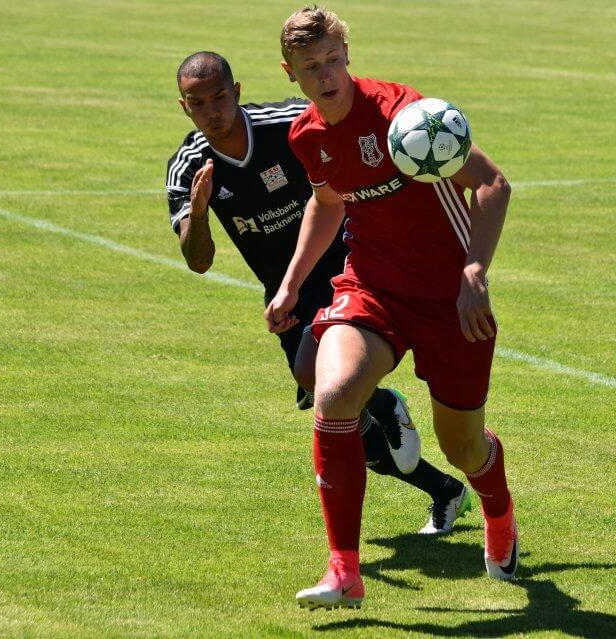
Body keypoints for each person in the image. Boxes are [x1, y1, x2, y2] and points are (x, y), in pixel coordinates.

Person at [265, 6, 518, 610]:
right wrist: (293, 283)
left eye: (333, 60)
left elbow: (492, 184)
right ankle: (344, 572)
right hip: (371, 288)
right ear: (291, 72)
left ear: (347, 55)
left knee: (462, 447)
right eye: (311, 67)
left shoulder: (408, 116)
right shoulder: (307, 136)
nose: (326, 75)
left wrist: (474, 270)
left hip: (448, 300)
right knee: (332, 396)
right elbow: (328, 203)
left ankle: (498, 510)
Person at [166, 50, 472, 538]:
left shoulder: (288, 123)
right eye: (198, 103)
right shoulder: (188, 167)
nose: (212, 111)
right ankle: (443, 489)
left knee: (322, 385)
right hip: (289, 293)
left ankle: (385, 409)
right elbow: (198, 260)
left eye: (219, 98)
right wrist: (199, 214)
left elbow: (349, 137)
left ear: (237, 92)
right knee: (342, 418)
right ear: (184, 108)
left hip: (351, 265)